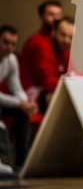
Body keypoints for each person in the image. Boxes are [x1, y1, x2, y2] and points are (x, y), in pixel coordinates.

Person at [0, 25, 39, 168]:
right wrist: (19, 103)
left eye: (13, 44)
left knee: (22, 111)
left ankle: (22, 162)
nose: (9, 47)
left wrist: (26, 103)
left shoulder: (11, 60)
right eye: (5, 42)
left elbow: (16, 88)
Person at [19, 16, 75, 113]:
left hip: (44, 89)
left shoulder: (64, 49)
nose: (66, 40)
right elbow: (49, 83)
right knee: (54, 96)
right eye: (63, 35)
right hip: (26, 91)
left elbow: (72, 74)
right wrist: (72, 83)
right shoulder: (42, 47)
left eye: (71, 37)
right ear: (54, 32)